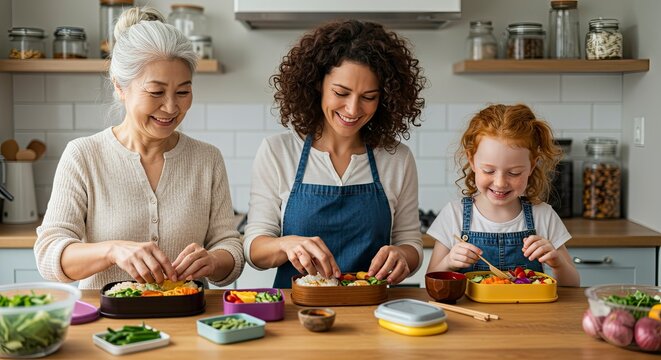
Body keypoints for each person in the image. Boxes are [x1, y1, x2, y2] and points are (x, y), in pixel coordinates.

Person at [34, 7, 244, 289]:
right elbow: (49, 253)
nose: (171, 107)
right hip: (109, 326)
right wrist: (112, 251)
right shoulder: (84, 156)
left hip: (188, 320)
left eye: (183, 91)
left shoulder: (207, 159)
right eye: (156, 92)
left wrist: (215, 261)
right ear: (120, 87)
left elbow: (229, 244)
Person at [243, 20, 426, 288]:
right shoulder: (278, 151)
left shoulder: (396, 158)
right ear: (317, 84)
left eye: (369, 97)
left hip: (372, 310)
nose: (353, 109)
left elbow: (410, 243)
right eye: (341, 92)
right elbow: (254, 250)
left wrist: (403, 256)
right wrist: (287, 245)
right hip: (297, 312)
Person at [426, 104, 580, 286]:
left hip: (530, 314)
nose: (500, 183)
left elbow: (573, 285)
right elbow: (431, 280)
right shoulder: (454, 214)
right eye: (489, 170)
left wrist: (557, 263)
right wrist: (448, 263)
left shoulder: (543, 215)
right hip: (470, 314)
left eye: (514, 173)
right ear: (472, 161)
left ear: (532, 165)